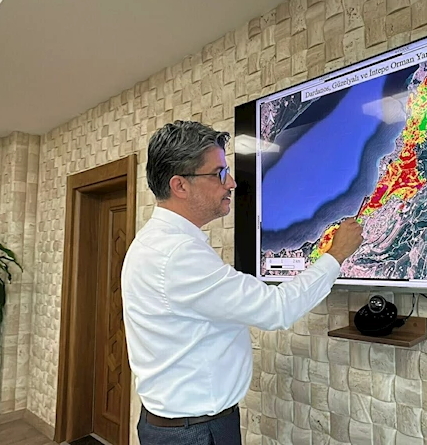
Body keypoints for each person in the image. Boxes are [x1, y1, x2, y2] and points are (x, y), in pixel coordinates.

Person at [120, 120, 363, 445]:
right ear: (180, 185)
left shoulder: (151, 242)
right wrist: (336, 255)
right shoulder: (178, 255)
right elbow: (276, 309)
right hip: (195, 433)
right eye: (219, 173)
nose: (231, 183)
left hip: (173, 424)